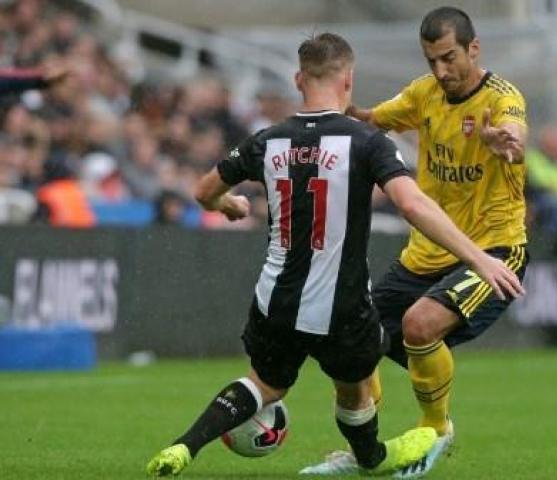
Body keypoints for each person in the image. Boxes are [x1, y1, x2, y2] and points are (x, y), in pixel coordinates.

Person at [145, 32, 523, 477]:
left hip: (275, 299)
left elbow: (204, 191)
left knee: (263, 383)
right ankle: (374, 456)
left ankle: (184, 446)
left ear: (298, 79)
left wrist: (228, 205)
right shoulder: (365, 142)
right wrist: (480, 259)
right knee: (357, 386)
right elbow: (412, 204)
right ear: (348, 80)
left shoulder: (266, 140)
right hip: (342, 307)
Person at [305, 7, 529, 477]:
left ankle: (435, 430)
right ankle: (367, 452)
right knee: (355, 337)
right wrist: (321, 104)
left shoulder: (503, 98)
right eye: (432, 61)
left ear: (474, 48)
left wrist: (506, 141)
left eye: (450, 58)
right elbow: (370, 119)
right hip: (426, 255)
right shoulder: (423, 95)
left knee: (420, 324)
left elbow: (516, 132)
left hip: (494, 250)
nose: (441, 71)